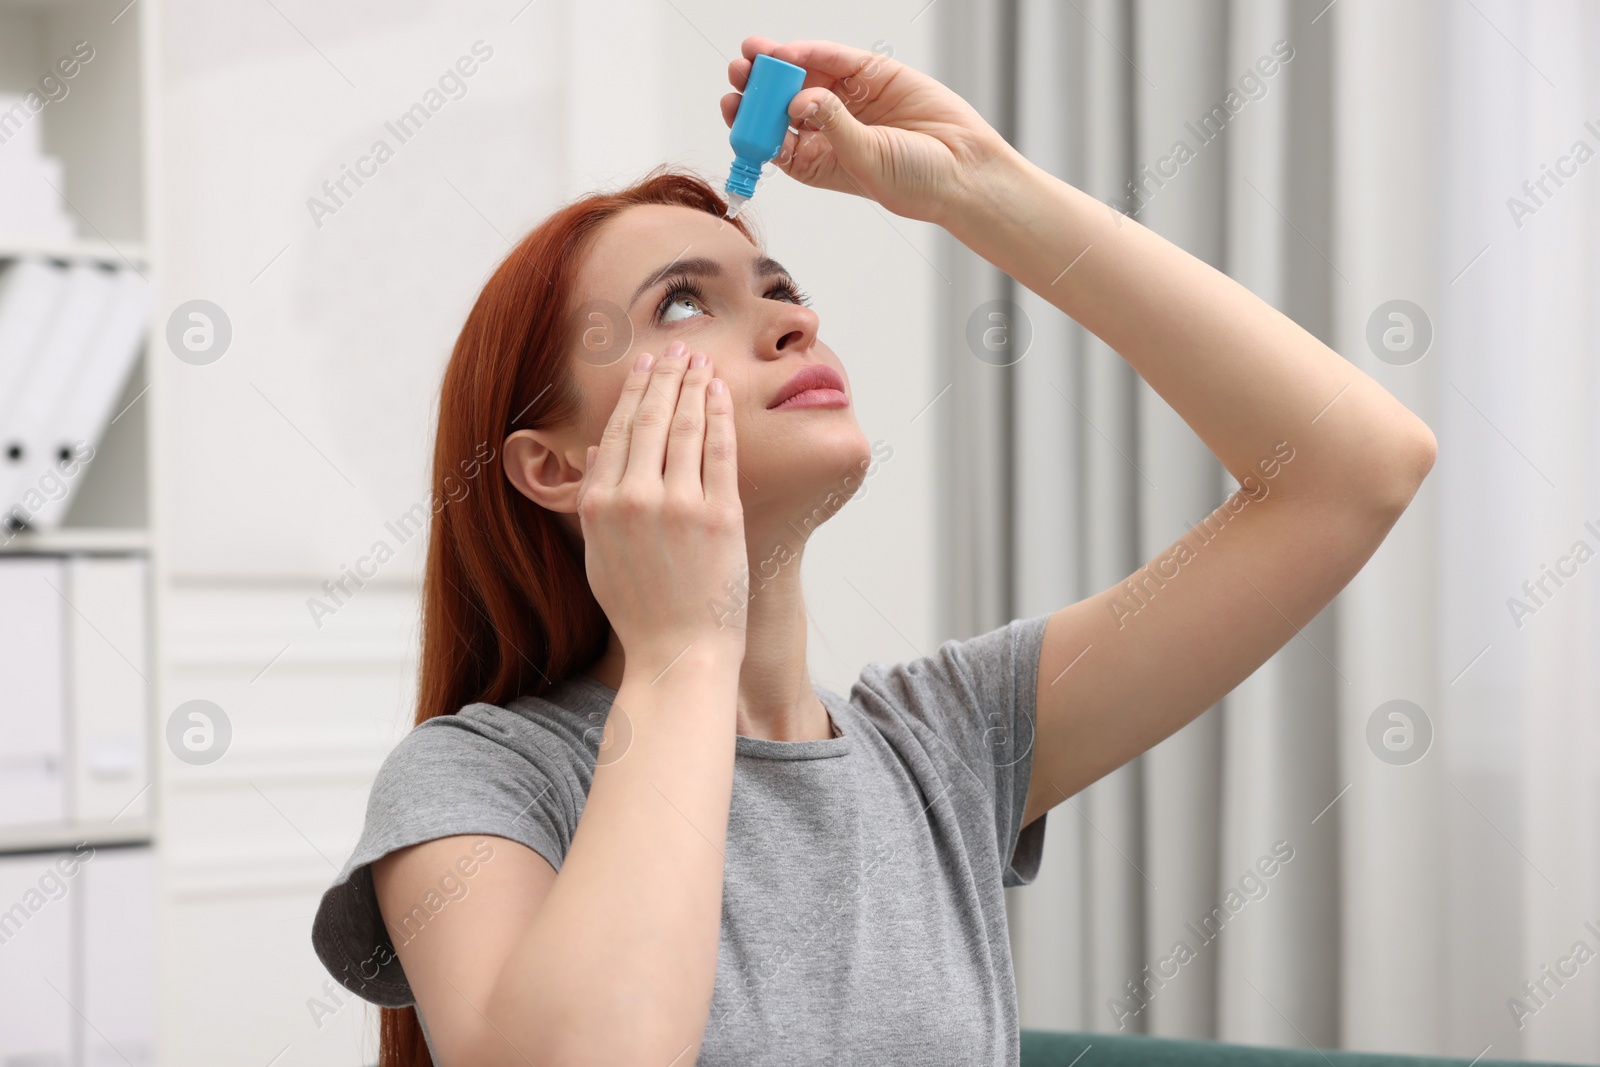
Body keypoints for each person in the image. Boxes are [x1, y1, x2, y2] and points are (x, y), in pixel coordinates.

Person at [311, 35, 1436, 1067]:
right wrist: (681, 654)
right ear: (555, 466)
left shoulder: (946, 743)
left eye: (781, 287)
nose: (794, 321)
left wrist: (984, 189)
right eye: (679, 306)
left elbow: (1352, 470)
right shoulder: (480, 779)